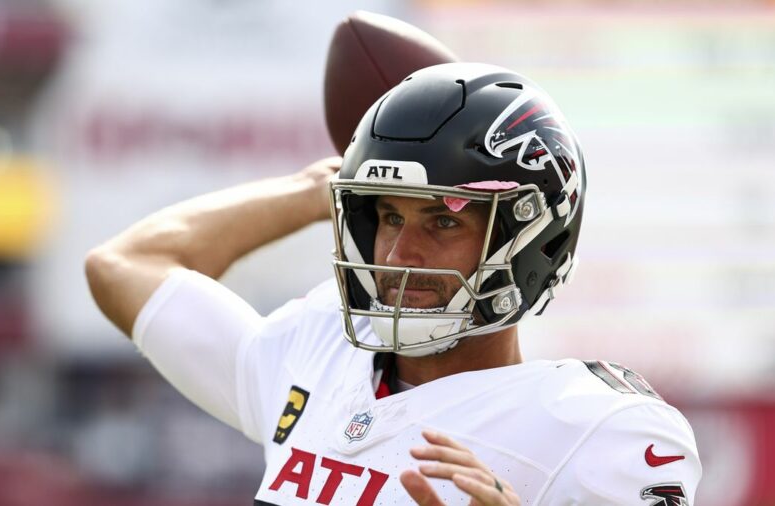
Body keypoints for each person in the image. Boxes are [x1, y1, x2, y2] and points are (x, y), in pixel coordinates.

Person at [86, 62, 701, 505]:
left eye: (441, 220)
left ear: (532, 239)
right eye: (387, 216)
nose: (400, 253)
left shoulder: (596, 427)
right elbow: (126, 264)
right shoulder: (318, 348)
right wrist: (313, 187)